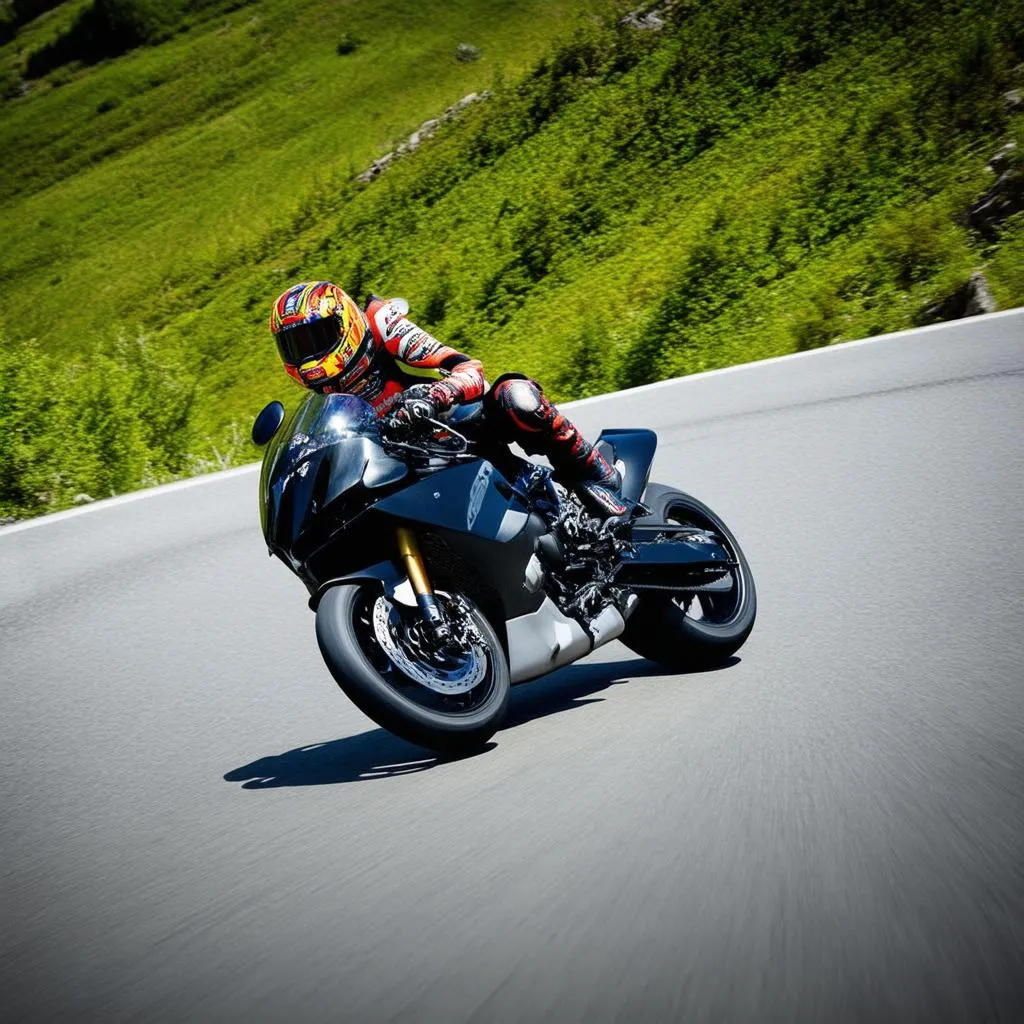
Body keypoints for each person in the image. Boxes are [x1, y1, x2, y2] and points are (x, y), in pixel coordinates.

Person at [269, 281, 625, 516]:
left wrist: (436, 396)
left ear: (345, 321)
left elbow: (470, 370)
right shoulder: (325, 399)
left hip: (459, 429)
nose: (309, 354)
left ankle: (595, 471)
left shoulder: (381, 325)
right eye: (296, 345)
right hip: (406, 470)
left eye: (317, 337)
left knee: (516, 397)